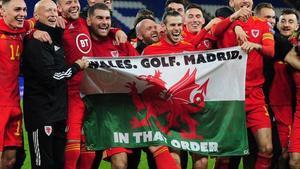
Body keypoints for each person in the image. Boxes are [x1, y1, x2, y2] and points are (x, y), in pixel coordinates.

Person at [86, 4, 179, 169]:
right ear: (88, 20)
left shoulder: (120, 42)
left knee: (160, 147)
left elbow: (140, 69)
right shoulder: (84, 40)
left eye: (107, 18)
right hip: (109, 115)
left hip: (134, 108)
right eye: (100, 18)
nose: (104, 22)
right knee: (120, 163)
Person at [22, 1, 89, 168]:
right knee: (42, 164)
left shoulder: (56, 37)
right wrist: (76, 67)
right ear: (36, 16)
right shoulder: (35, 42)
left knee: (59, 163)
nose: (52, 13)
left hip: (59, 113)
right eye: (47, 11)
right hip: (42, 114)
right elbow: (52, 77)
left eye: (53, 10)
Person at [212, 0, 275, 168]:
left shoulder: (261, 24)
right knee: (225, 154)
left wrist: (255, 45)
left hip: (255, 95)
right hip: (229, 96)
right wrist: (234, 22)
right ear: (232, 2)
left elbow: (270, 51)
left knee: (267, 148)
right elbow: (215, 31)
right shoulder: (222, 23)